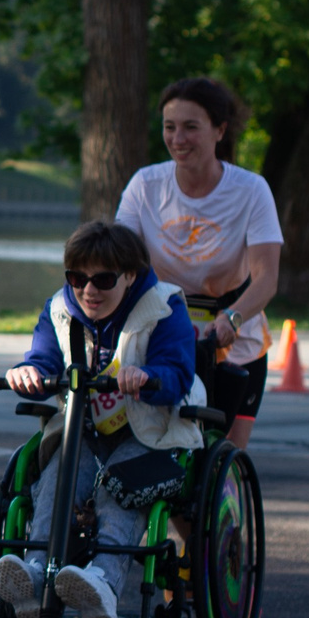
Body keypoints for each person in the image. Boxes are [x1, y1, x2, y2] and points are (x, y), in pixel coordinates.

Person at [0, 222, 203, 618]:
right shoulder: (60, 309)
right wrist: (29, 371)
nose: (88, 289)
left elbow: (178, 371)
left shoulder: (163, 307)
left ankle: (103, 584)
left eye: (102, 279)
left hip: (153, 434)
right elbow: (43, 355)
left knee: (117, 489)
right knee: (56, 480)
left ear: (129, 276)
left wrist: (148, 376)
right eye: (77, 278)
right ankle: (34, 575)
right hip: (83, 432)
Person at [113, 77, 282, 448]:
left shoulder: (251, 190)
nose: (178, 138)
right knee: (154, 448)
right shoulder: (146, 185)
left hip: (233, 338)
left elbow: (267, 278)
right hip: (164, 332)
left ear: (220, 130)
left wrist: (232, 318)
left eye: (191, 127)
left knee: (222, 456)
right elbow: (118, 255)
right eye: (169, 127)